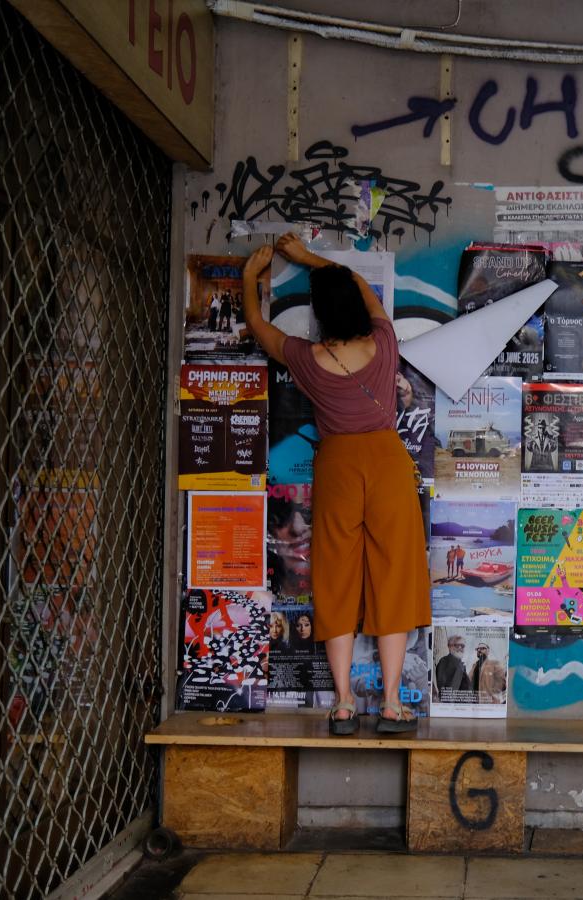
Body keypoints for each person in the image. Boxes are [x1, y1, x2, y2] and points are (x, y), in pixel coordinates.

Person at [242, 233, 430, 735]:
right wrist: (309, 257)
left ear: (319, 315)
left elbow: (258, 326)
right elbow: (356, 284)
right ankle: (391, 703)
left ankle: (344, 703)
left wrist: (249, 277)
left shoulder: (305, 358)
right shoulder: (384, 341)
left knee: (337, 577)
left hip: (338, 467)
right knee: (392, 574)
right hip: (388, 462)